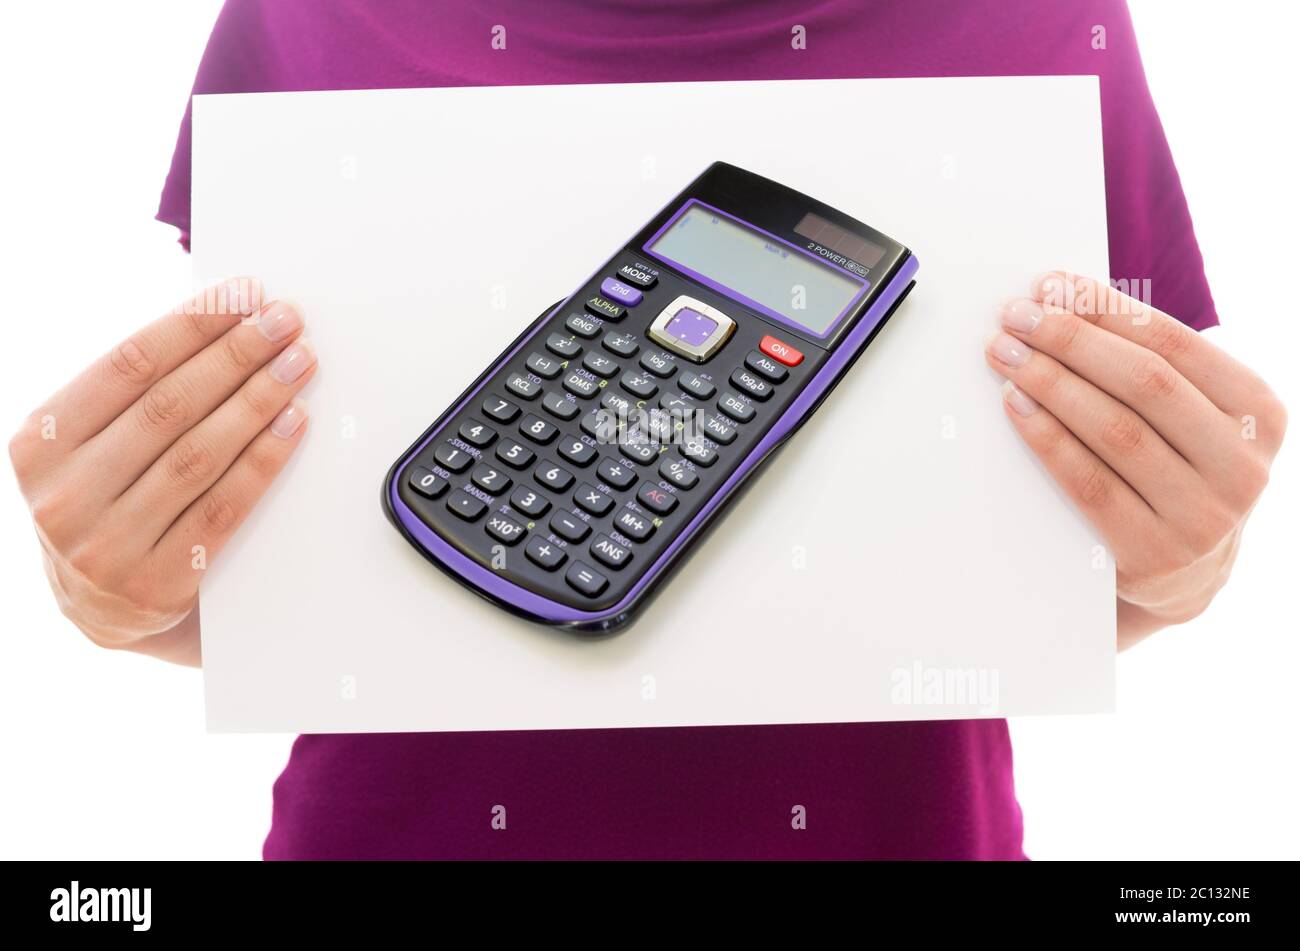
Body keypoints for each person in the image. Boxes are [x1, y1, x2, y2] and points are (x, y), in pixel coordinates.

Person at [8, 0, 1285, 859]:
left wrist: (1176, 579)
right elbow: (282, 579)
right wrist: (127, 603)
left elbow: (1034, 581)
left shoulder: (1049, 19)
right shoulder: (300, 12)